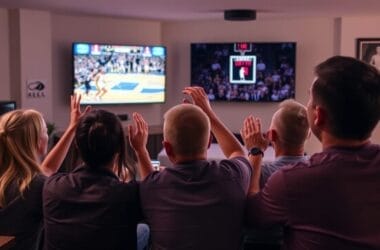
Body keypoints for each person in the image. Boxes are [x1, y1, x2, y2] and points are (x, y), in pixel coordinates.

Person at [245, 55, 380, 249]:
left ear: (318, 116)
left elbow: (253, 218)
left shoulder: (291, 180)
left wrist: (256, 154)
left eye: (310, 98)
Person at [128, 86, 252, 250]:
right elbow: (237, 151)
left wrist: (141, 151)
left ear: (168, 148)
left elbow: (149, 182)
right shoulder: (233, 176)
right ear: (209, 143)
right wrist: (208, 113)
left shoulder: (153, 186)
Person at [43, 109, 143, 250]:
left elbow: (46, 169)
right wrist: (141, 150)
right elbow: (156, 194)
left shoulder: (52, 187)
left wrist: (72, 127)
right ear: (120, 147)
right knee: (144, 230)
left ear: (77, 144)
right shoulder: (130, 194)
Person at [0, 94, 87, 250]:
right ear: (37, 142)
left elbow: (45, 170)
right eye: (45, 131)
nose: (47, 135)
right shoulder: (39, 187)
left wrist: (73, 127)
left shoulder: (13, 180)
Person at [240, 99, 310, 250]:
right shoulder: (316, 170)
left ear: (271, 135)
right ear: (308, 134)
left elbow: (249, 213)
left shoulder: (260, 173)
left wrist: (255, 151)